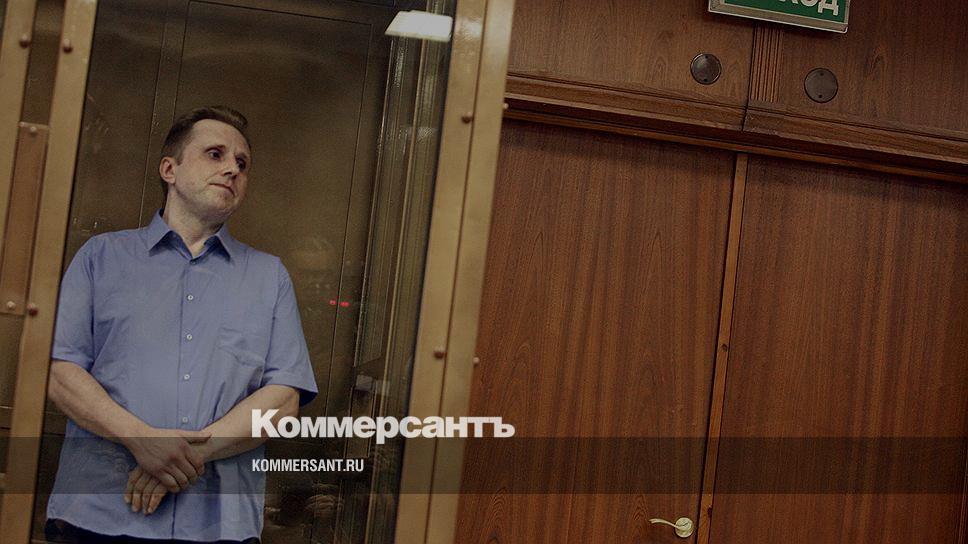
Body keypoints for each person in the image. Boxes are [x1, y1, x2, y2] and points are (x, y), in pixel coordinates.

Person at [45, 106, 318, 543]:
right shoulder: (100, 258)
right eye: (215, 154)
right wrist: (140, 439)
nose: (232, 168)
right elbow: (60, 374)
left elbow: (283, 400)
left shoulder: (269, 277)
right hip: (98, 513)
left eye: (242, 163)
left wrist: (177, 455)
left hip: (219, 525)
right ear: (169, 170)